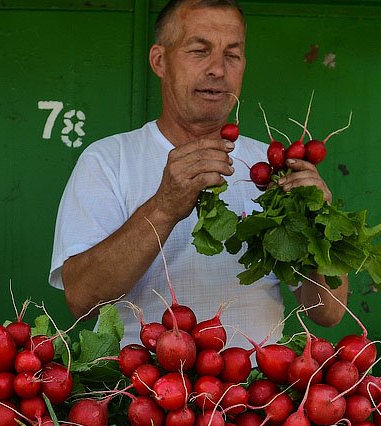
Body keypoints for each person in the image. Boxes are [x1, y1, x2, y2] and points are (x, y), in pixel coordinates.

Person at [49, 0, 348, 346]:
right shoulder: (108, 160)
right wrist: (163, 207)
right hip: (143, 390)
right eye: (199, 51)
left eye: (232, 55)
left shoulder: (271, 166)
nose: (218, 69)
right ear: (159, 60)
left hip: (257, 391)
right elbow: (83, 301)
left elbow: (328, 312)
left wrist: (321, 224)